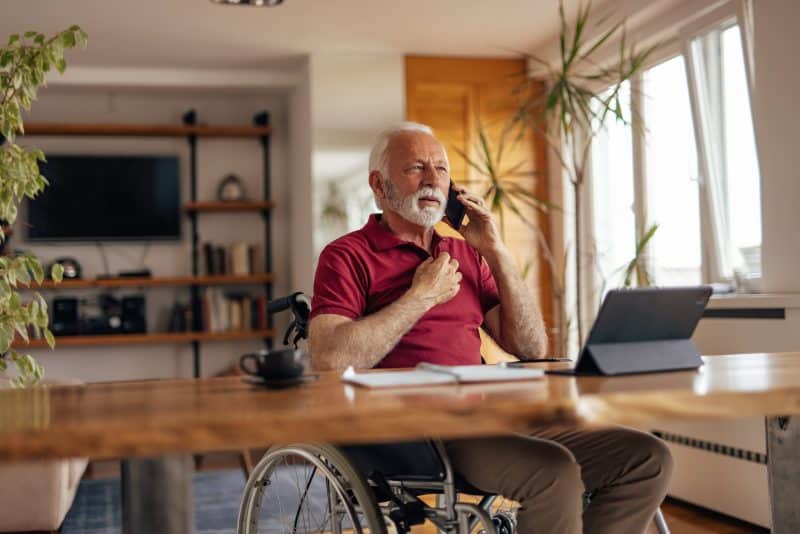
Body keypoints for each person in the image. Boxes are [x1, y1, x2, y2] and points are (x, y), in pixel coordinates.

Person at [309, 122, 672, 533]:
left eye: (441, 169)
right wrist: (419, 298)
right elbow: (328, 357)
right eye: (415, 168)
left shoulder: (466, 252)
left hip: (495, 414)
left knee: (648, 457)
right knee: (554, 472)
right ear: (379, 184)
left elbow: (532, 346)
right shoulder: (347, 255)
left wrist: (494, 250)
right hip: (421, 432)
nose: (433, 180)